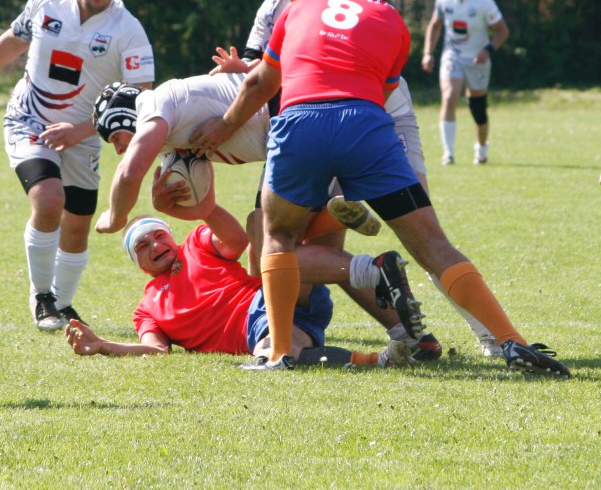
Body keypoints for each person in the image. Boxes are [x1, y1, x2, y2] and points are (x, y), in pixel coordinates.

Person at [190, 0, 569, 377]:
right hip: (366, 126)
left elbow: (260, 84)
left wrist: (224, 126)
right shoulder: (393, 22)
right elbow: (381, 93)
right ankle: (511, 341)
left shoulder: (300, 7)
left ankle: (278, 354)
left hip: (301, 124)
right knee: (431, 242)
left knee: (277, 237)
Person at [229, 0, 503, 358]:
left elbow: (267, 79)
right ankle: (418, 328)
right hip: (347, 116)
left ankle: (481, 334)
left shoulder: (327, 5)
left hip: (363, 114)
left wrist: (224, 129)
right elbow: (255, 67)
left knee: (419, 237)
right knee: (303, 237)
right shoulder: (288, 3)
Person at [91, 77, 442, 363]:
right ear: (136, 263)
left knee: (267, 248)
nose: (120, 149)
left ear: (124, 118)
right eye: (141, 245)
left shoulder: (155, 111)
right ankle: (407, 333)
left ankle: (367, 265)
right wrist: (171, 208)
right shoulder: (175, 134)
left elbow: (129, 172)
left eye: (115, 139)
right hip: (312, 128)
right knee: (281, 245)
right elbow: (205, 204)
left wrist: (114, 216)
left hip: (296, 131)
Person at [0, 0, 154, 331]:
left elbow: (139, 93)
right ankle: (42, 296)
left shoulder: (128, 29)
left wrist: (81, 130)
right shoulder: (45, 4)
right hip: (29, 120)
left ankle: (63, 303)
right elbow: (13, 40)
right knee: (48, 199)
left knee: (77, 226)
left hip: (84, 136)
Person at [66, 179, 411, 368]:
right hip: (272, 325)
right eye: (142, 246)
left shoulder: (195, 243)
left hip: (268, 297)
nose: (155, 246)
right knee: (280, 353)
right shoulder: (147, 308)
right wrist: (103, 345)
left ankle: (336, 212)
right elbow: (156, 351)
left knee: (258, 221)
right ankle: (380, 357)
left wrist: (207, 210)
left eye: (158, 236)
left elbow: (234, 240)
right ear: (137, 264)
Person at [421, 0, 509, 165]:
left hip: (477, 60)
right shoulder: (444, 0)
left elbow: (502, 30)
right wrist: (428, 53)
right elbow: (434, 26)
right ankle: (448, 152)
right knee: (450, 96)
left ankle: (481, 148)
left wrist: (487, 50)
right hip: (452, 56)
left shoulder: (483, 2)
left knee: (477, 107)